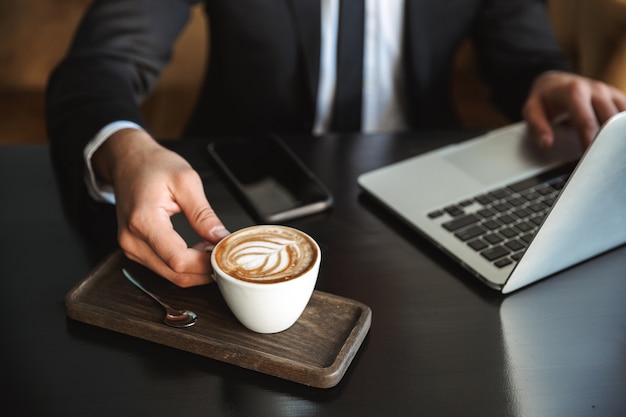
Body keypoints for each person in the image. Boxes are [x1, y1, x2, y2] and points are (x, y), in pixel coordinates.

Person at [46, 0, 626, 288]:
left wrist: (548, 79)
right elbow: (100, 63)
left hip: (428, 193)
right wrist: (124, 146)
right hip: (235, 198)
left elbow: (521, 51)